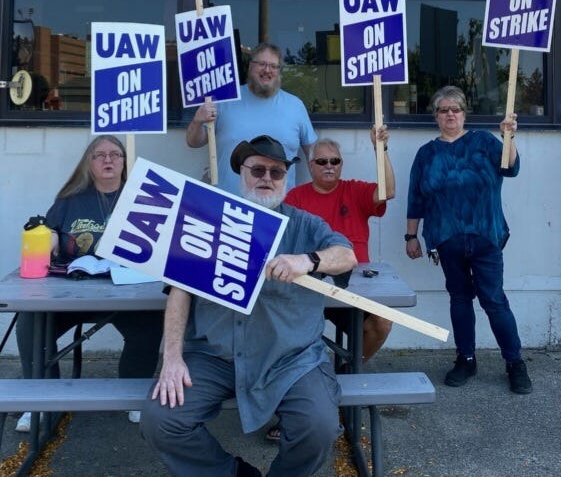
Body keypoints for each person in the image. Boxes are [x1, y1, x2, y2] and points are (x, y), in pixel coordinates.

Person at [140, 135, 357, 477]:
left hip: (290, 358)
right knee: (161, 421)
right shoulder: (207, 220)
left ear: (287, 177)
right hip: (214, 356)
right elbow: (179, 292)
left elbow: (346, 256)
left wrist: (308, 259)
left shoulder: (304, 224)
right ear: (241, 173)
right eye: (257, 170)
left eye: (276, 172)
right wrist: (172, 357)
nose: (266, 178)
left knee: (318, 427)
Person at [15, 135, 163, 431]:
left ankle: (134, 397)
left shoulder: (144, 201)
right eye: (99, 155)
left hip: (126, 294)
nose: (108, 160)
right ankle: (39, 399)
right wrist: (50, 240)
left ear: (125, 161)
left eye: (115, 154)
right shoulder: (69, 201)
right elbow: (50, 233)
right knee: (30, 321)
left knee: (151, 322)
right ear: (89, 163)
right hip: (72, 293)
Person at [405, 85, 532, 395]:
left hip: (486, 234)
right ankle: (466, 358)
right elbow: (416, 197)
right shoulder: (426, 154)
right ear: (435, 116)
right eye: (443, 109)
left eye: (456, 109)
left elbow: (511, 168)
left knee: (494, 300)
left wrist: (509, 137)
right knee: (460, 299)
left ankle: (515, 362)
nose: (450, 114)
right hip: (446, 238)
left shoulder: (484, 142)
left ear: (464, 113)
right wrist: (411, 235)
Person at [286, 130, 395, 361]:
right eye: (322, 161)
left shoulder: (354, 191)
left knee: (382, 323)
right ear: (311, 164)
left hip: (354, 289)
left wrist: (380, 149)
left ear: (341, 164)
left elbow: (388, 191)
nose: (329, 166)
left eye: (334, 161)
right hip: (308, 289)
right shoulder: (295, 198)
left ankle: (349, 369)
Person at [185, 43, 317, 192]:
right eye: (262, 64)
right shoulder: (224, 101)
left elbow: (314, 155)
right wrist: (198, 121)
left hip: (280, 209)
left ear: (279, 72)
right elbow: (193, 142)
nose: (267, 70)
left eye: (274, 66)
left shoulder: (295, 106)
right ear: (250, 66)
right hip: (230, 206)